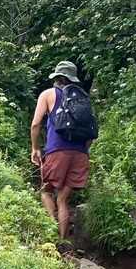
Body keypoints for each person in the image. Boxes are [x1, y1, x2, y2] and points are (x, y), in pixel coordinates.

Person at [30, 60, 96, 244]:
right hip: (81, 154)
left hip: (57, 152)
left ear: (57, 77)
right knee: (63, 200)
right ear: (72, 79)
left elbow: (35, 124)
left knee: (46, 191)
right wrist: (82, 151)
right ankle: (64, 241)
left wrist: (35, 148)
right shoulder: (83, 99)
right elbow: (91, 132)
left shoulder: (48, 94)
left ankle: (52, 236)